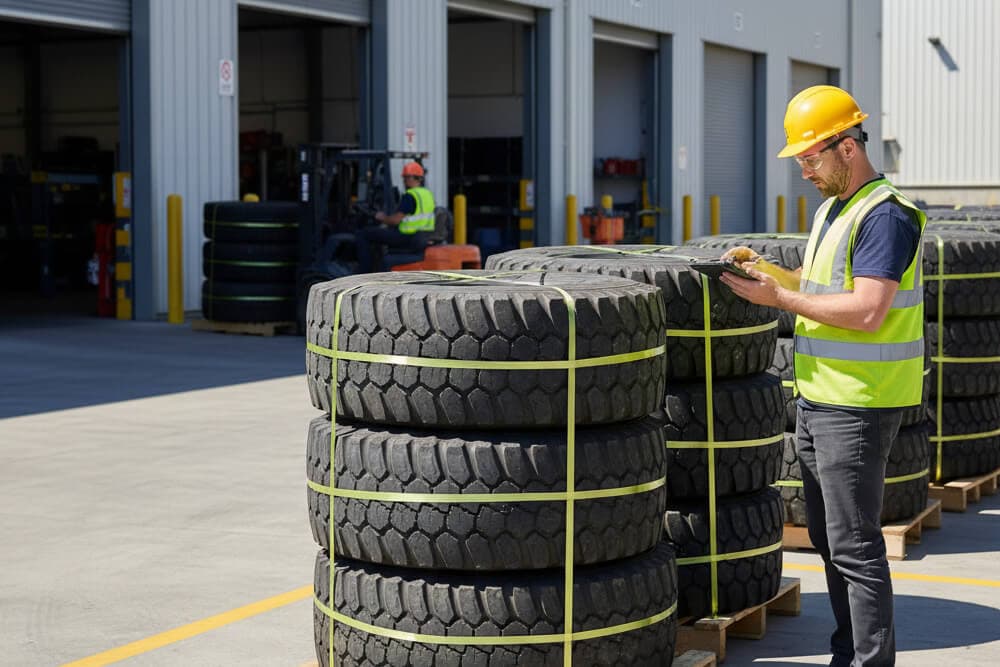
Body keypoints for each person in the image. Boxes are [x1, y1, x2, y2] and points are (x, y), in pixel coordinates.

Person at [720, 85, 926, 667]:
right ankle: (847, 652)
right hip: (820, 398)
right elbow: (819, 289)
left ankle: (867, 661)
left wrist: (779, 300)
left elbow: (867, 310)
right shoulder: (834, 208)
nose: (804, 171)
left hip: (858, 404)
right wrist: (766, 271)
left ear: (847, 147)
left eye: (811, 157)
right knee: (831, 541)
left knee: (855, 545)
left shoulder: (885, 215)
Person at [355, 161, 436, 272]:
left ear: (416, 178)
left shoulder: (410, 196)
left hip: (407, 237)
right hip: (421, 237)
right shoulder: (427, 194)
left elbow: (395, 221)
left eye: (407, 177)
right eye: (404, 177)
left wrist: (381, 217)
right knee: (378, 234)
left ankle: (364, 272)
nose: (404, 180)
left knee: (364, 234)